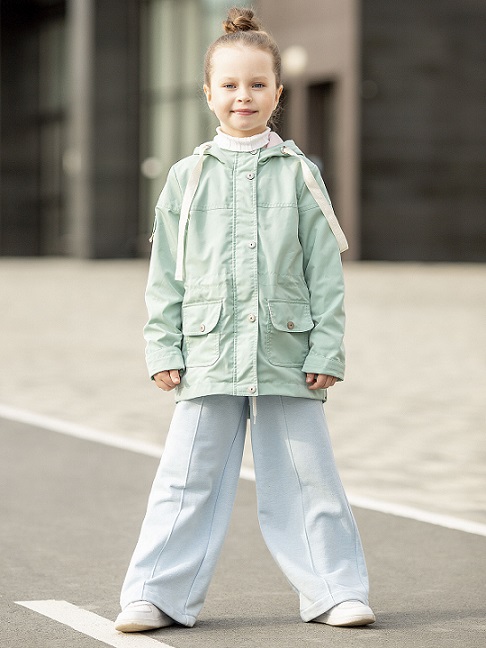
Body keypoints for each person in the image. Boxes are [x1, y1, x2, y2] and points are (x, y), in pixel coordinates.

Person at [115, 6, 375, 634]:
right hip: (206, 353)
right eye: (229, 84)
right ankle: (154, 594)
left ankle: (335, 590)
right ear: (207, 93)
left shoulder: (301, 175)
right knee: (185, 479)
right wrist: (163, 347)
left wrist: (326, 349)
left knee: (309, 479)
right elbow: (165, 274)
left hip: (288, 351)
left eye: (258, 84)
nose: (243, 96)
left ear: (278, 93)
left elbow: (324, 274)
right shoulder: (187, 178)